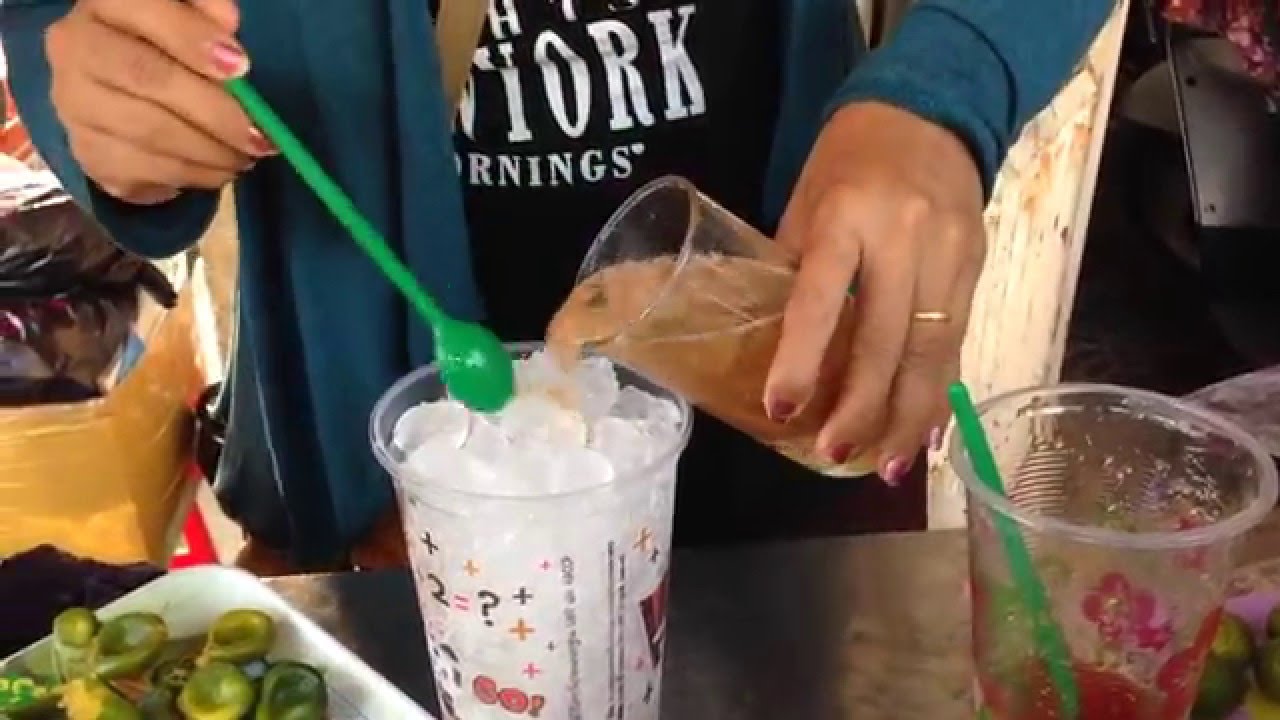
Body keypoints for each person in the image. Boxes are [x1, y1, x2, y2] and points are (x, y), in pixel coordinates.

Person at [2, 0, 1114, 571]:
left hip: (784, 403)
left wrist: (946, 83)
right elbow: (62, 21)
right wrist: (89, 81)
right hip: (379, 496)